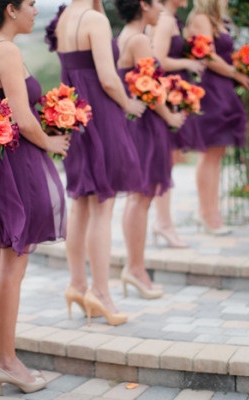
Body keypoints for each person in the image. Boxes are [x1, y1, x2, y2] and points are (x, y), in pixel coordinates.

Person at [0, 0, 69, 394]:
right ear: (10, 9)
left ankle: (1, 354)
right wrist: (53, 142)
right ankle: (6, 360)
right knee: (13, 265)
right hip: (13, 166)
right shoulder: (6, 50)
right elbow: (23, 120)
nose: (36, 11)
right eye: (31, 4)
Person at [46, 0, 146, 326]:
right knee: (103, 204)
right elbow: (107, 78)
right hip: (101, 117)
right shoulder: (94, 20)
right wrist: (129, 103)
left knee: (82, 204)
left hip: (74, 115)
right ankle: (100, 293)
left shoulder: (64, 19)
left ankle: (77, 284)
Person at [114, 0, 186, 299]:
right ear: (143, 5)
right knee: (141, 197)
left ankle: (135, 268)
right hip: (145, 125)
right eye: (157, 3)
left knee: (139, 197)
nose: (162, 9)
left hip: (137, 124)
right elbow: (150, 88)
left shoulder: (124, 36)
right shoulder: (140, 39)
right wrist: (170, 116)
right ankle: (135, 268)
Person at [184, 0, 249, 235]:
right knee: (209, 153)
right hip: (211, 91)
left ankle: (213, 211)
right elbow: (208, 57)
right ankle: (206, 213)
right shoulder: (200, 19)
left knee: (218, 153)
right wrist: (236, 74)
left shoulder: (220, 22)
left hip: (225, 89)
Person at [149, 0, 205, 247]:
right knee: (165, 162)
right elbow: (158, 60)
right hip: (168, 97)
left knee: (168, 162)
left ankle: (163, 221)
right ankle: (163, 223)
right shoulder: (165, 20)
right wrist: (188, 63)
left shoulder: (169, 19)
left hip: (173, 95)